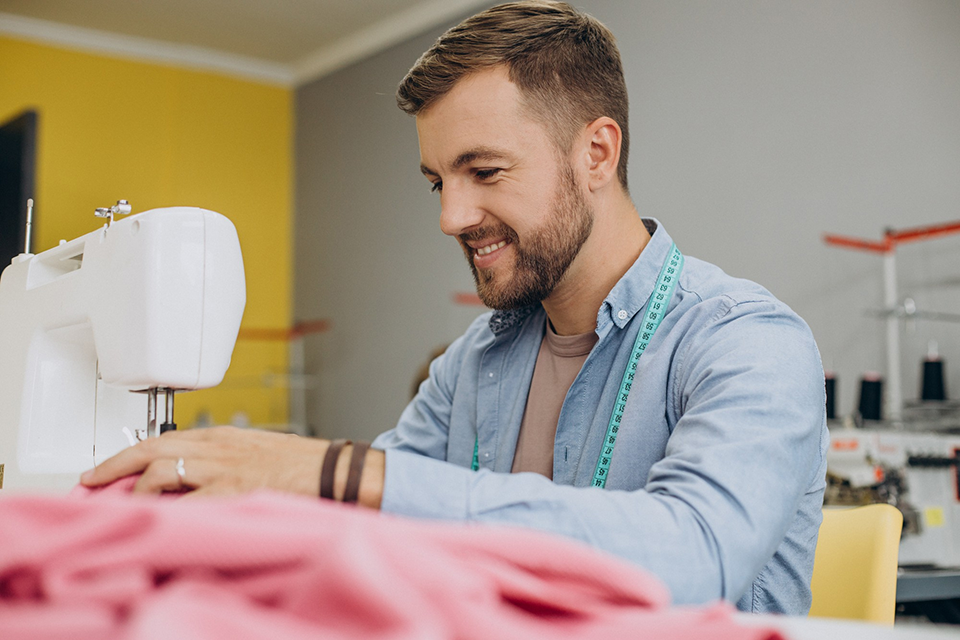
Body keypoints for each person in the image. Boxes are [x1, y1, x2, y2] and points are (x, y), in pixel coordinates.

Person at [82, 0, 827, 615]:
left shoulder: (746, 341)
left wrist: (336, 470)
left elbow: (697, 556)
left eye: (486, 171)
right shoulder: (476, 362)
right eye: (440, 182)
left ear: (597, 154)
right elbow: (356, 526)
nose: (451, 217)